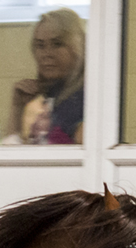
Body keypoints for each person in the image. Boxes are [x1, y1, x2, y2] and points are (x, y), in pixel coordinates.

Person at [8, 8, 86, 145]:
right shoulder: (54, 97)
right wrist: (17, 107)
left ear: (77, 47)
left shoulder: (82, 100)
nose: (47, 54)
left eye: (57, 44)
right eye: (40, 45)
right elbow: (8, 155)